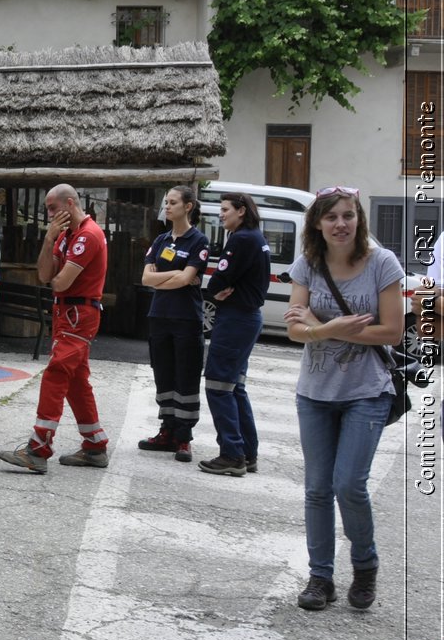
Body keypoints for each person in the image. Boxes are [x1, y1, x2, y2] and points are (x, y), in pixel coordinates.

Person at [284, 186, 404, 611]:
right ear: (317, 222)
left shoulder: (382, 264)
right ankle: (321, 577)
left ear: (359, 220)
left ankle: (365, 565)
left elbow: (392, 331)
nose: (341, 224)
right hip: (315, 393)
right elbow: (295, 330)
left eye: (348, 216)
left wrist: (319, 324)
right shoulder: (308, 265)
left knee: (348, 485)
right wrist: (330, 329)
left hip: (366, 391)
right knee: (317, 490)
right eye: (331, 217)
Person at [0, 184, 110, 473]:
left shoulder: (88, 235)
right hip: (67, 312)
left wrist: (55, 270)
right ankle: (95, 445)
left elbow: (59, 283)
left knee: (56, 373)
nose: (48, 214)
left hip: (78, 313)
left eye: (51, 208)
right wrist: (48, 240)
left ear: (69, 203)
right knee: (76, 381)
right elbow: (45, 274)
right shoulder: (64, 235)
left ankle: (38, 448)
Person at [200, 192, 271, 477]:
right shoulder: (255, 237)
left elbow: (221, 278)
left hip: (236, 319)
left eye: (225, 209)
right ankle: (247, 453)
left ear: (241, 211)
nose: (221, 214)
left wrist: (210, 294)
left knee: (218, 385)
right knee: (234, 387)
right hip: (246, 318)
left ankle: (232, 454)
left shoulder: (242, 239)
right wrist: (220, 290)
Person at [138, 185, 210, 463]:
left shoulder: (199, 241)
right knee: (164, 375)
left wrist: (168, 277)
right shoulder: (160, 240)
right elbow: (146, 278)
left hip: (186, 319)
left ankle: (183, 437)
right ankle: (166, 430)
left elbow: (184, 280)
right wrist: (177, 275)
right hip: (159, 316)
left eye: (172, 202)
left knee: (186, 376)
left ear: (188, 206)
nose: (166, 207)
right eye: (165, 202)